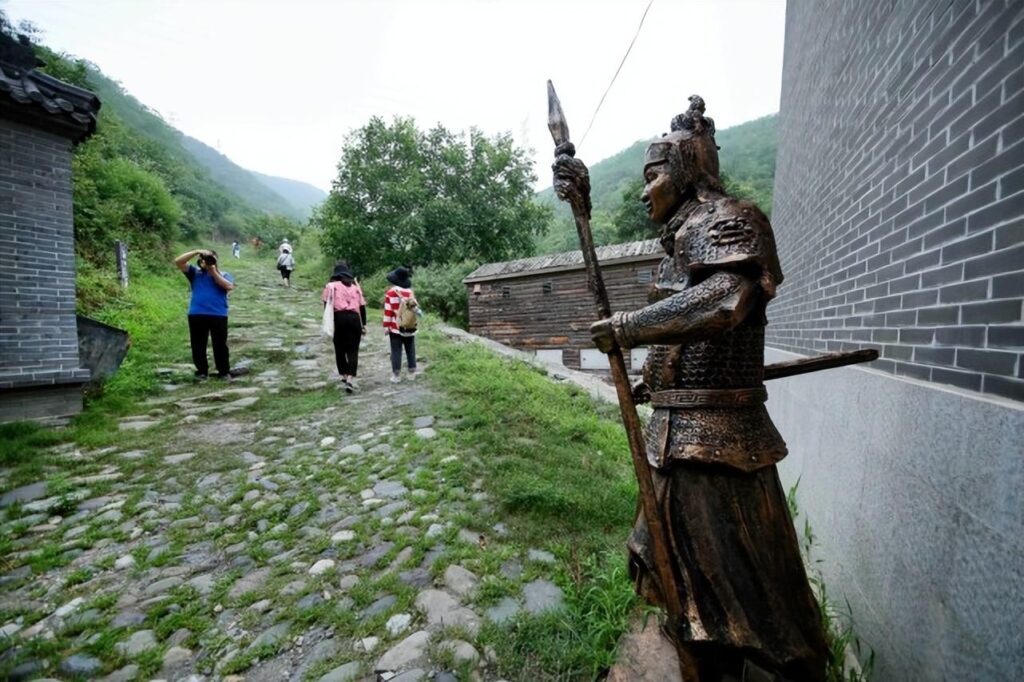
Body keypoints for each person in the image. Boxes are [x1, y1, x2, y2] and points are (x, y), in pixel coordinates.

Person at [557, 97, 828, 680]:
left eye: (652, 175)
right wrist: (648, 375)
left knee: (736, 587)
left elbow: (725, 298)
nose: (644, 190)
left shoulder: (731, 219)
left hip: (718, 446)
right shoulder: (680, 240)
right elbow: (680, 336)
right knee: (679, 588)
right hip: (670, 438)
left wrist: (626, 328)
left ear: (682, 171)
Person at [173, 248, 235, 380]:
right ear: (200, 261)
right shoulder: (194, 273)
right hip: (197, 313)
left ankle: (223, 372)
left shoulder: (224, 274)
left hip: (218, 314)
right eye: (204, 259)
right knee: (198, 344)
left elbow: (228, 286)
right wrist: (196, 251)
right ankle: (202, 371)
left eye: (211, 258)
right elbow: (178, 262)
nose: (207, 261)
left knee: (220, 345)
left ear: (216, 260)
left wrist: (213, 272)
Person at [322, 261, 367, 392]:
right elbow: (362, 307)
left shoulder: (330, 286)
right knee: (353, 350)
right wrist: (363, 324)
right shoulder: (355, 287)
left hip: (339, 318)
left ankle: (344, 374)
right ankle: (350, 379)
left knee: (340, 348)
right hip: (354, 319)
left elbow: (327, 305)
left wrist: (329, 322)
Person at [382, 266, 418, 383]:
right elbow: (414, 309)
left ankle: (396, 376)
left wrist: (386, 326)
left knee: (396, 350)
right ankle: (412, 373)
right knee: (410, 348)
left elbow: (388, 311)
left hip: (395, 326)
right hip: (409, 326)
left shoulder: (391, 292)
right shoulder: (410, 292)